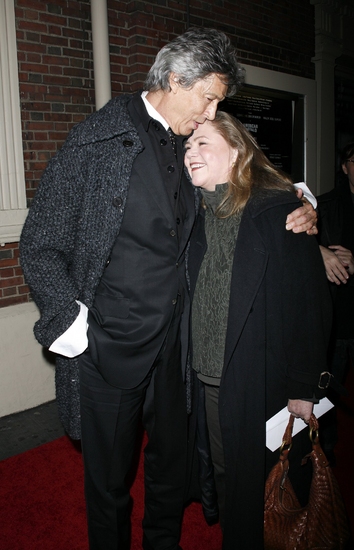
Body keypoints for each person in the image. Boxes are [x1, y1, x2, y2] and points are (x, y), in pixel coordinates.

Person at [20, 28, 317, 550]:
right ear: (176, 80)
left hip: (177, 350)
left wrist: (303, 207)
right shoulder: (96, 139)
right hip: (107, 348)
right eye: (208, 98)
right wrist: (70, 326)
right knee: (108, 483)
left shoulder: (189, 150)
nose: (210, 113)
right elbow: (41, 242)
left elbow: (239, 195)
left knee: (170, 473)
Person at [184, 111, 332, 549]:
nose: (191, 151)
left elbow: (310, 305)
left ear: (237, 151)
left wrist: (305, 386)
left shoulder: (279, 212)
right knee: (229, 473)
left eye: (203, 143)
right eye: (187, 144)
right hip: (209, 378)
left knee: (266, 480)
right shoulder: (194, 215)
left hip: (259, 378)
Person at [316, 141, 354, 461]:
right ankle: (325, 450)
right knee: (327, 389)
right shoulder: (325, 204)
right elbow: (297, 244)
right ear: (345, 167)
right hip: (338, 318)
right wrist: (320, 252)